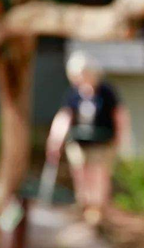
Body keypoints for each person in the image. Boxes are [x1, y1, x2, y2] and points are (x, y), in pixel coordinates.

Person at [46, 51, 130, 224]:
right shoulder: (74, 94)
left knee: (99, 174)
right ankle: (84, 207)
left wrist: (121, 138)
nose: (79, 78)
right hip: (79, 142)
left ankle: (98, 210)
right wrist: (55, 140)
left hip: (102, 142)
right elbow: (65, 117)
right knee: (80, 174)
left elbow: (120, 115)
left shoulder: (106, 91)